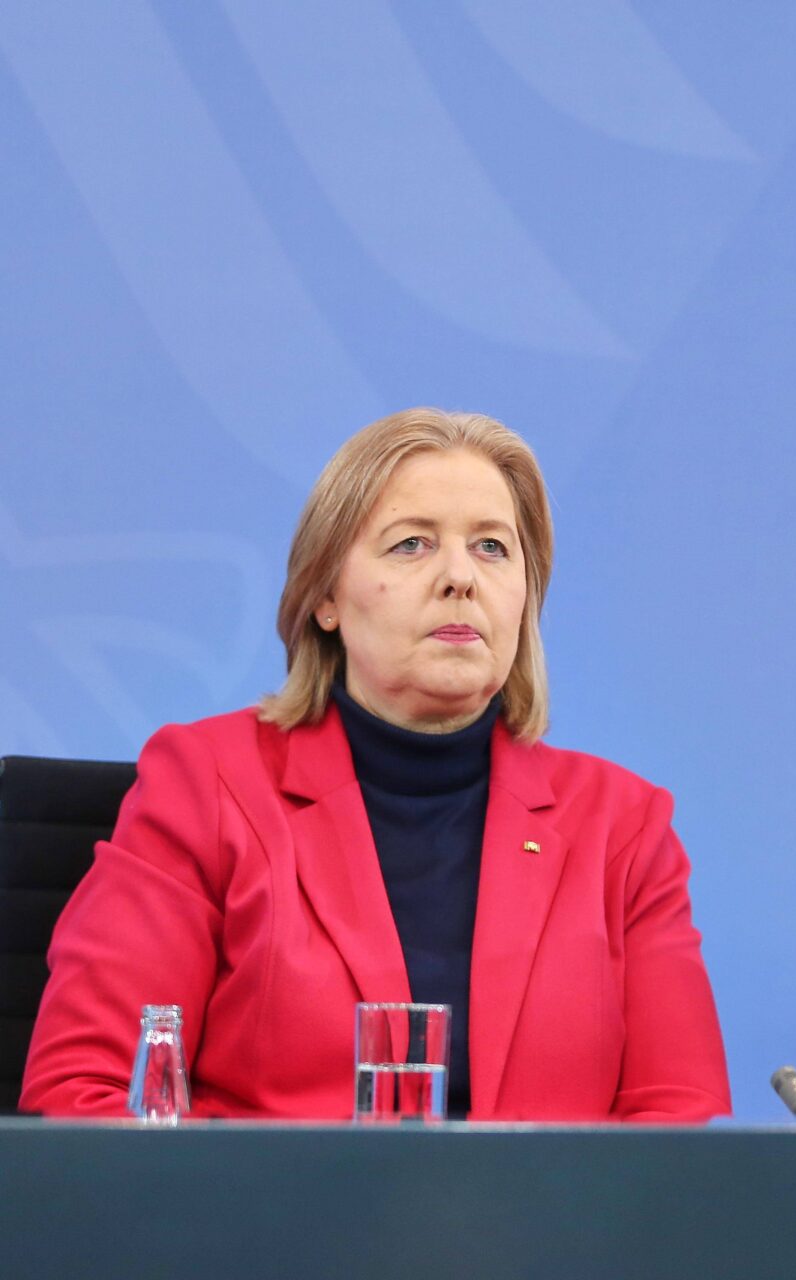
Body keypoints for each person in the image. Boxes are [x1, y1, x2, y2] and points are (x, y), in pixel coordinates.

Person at [21, 409, 730, 1121]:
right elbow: (83, 1091)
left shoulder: (624, 829)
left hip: (544, 1202)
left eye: (491, 547)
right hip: (273, 1199)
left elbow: (681, 1126)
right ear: (326, 596)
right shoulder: (206, 785)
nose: (460, 578)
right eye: (412, 544)